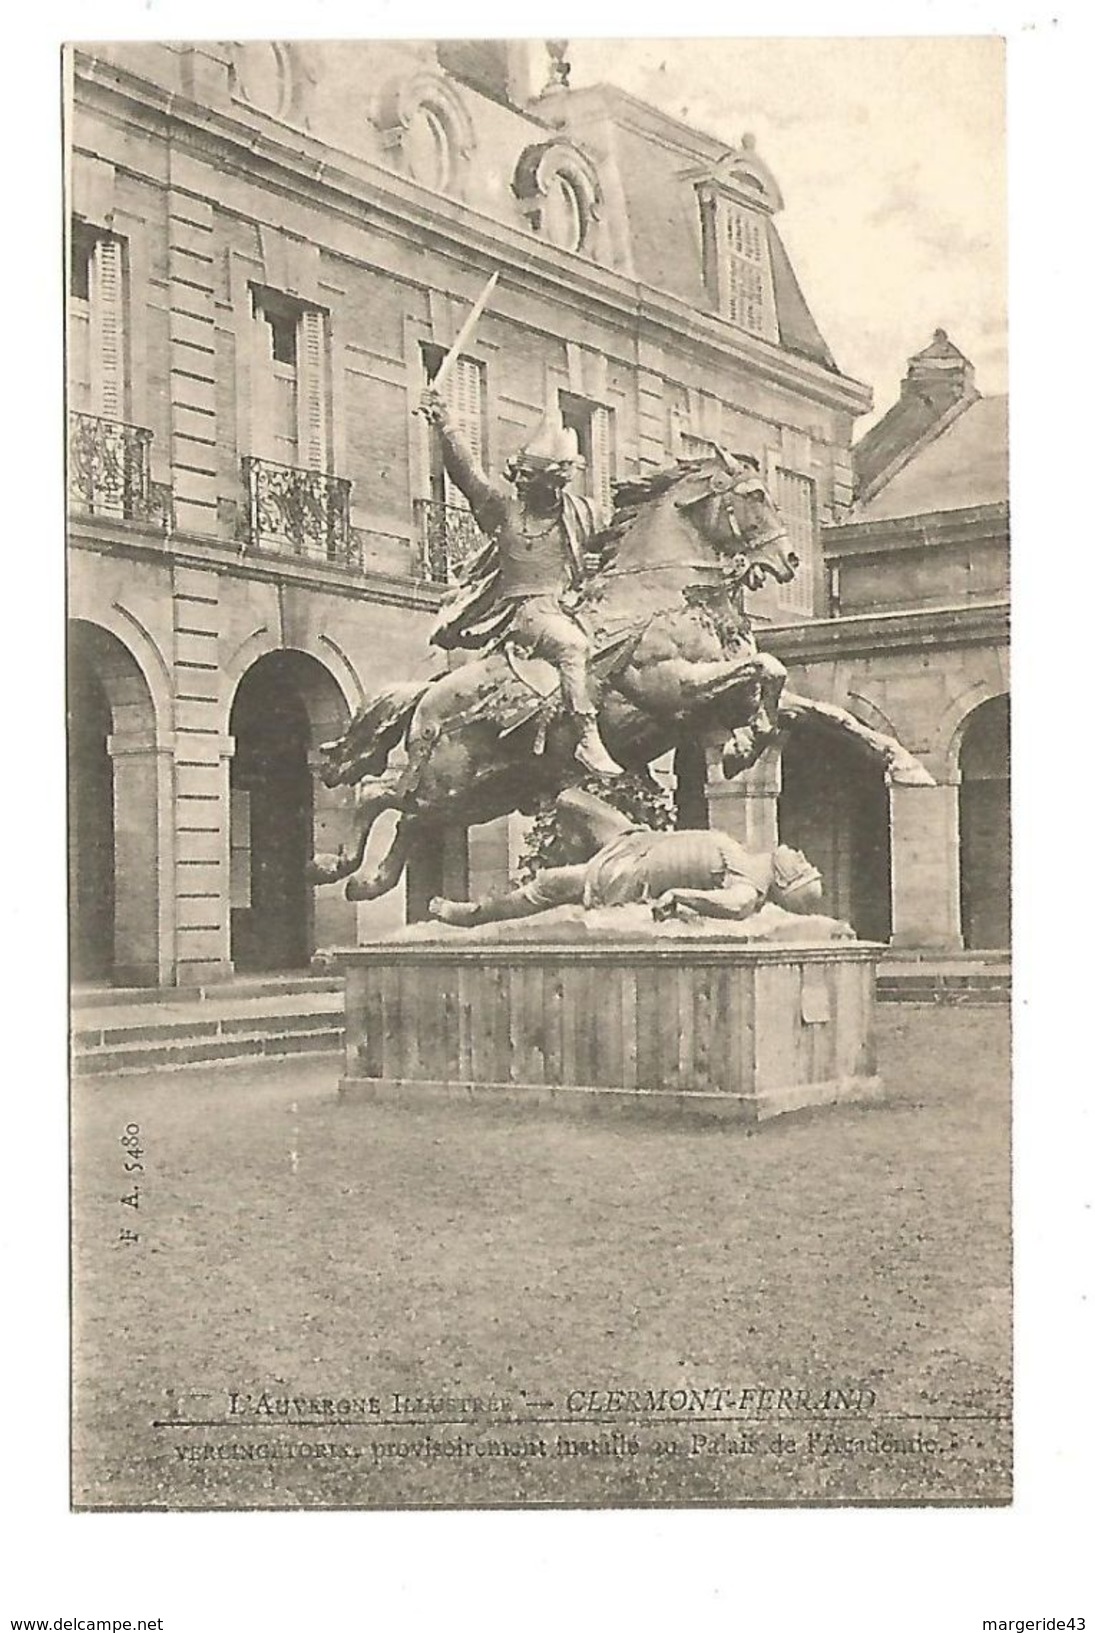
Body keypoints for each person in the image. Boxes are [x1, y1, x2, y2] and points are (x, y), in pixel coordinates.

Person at [420, 387, 623, 778]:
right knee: (572, 647)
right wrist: (446, 425)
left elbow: (616, 547)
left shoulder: (583, 514)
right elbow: (468, 475)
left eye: (536, 480)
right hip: (524, 611)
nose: (526, 486)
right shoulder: (502, 511)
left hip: (570, 606)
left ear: (556, 482)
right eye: (524, 478)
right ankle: (587, 739)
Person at [429, 786, 824, 927]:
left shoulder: (749, 889)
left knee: (548, 884)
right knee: (572, 798)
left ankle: (473, 916)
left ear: (786, 883)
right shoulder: (746, 856)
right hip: (637, 840)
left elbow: (734, 907)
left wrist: (680, 897)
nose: (804, 856)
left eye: (804, 868)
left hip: (625, 874)